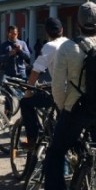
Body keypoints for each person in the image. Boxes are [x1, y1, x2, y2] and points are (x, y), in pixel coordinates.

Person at [32, 2, 96, 190]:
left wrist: (64, 107)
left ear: (79, 23)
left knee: (56, 151)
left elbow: (57, 85)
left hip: (78, 110)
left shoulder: (69, 48)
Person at [19, 18, 67, 146]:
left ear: (47, 33)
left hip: (60, 90)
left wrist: (28, 90)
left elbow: (36, 71)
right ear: (62, 30)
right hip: (74, 88)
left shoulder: (49, 46)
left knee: (25, 103)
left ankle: (33, 139)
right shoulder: (69, 43)